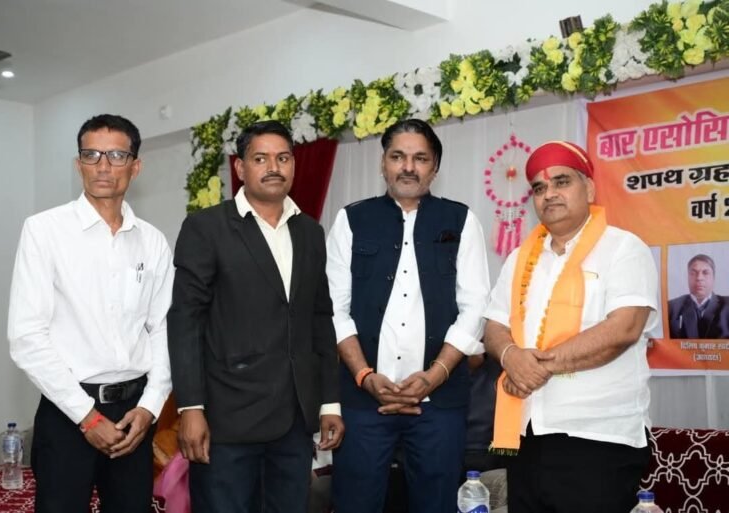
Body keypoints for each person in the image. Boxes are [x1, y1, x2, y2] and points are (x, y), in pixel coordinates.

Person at [167, 120, 344, 513]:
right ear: (240, 167)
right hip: (226, 421)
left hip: (294, 421)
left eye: (283, 158)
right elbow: (185, 321)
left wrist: (329, 403)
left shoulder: (310, 232)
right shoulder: (206, 228)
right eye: (260, 158)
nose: (273, 167)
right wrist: (190, 407)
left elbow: (320, 319)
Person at [8, 114, 174, 513]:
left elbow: (164, 329)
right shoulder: (44, 231)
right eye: (91, 155)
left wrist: (150, 407)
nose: (103, 166)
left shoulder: (152, 241)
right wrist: (87, 417)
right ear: (78, 163)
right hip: (68, 411)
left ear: (135, 166)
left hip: (134, 416)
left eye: (116, 155)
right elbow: (27, 336)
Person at [483, 141, 659, 512]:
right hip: (526, 432)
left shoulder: (624, 248)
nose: (549, 194)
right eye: (539, 188)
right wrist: (511, 355)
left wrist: (535, 367)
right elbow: (494, 325)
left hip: (597, 435)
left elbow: (624, 329)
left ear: (589, 189)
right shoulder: (518, 258)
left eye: (561, 182)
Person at [326, 118, 491, 513]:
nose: (408, 167)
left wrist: (434, 376)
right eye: (398, 157)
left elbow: (475, 307)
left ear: (435, 168)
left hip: (439, 404)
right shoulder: (352, 220)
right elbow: (333, 308)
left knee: (436, 505)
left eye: (420, 158)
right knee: (354, 504)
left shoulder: (461, 220)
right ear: (383, 163)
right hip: (363, 401)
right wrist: (365, 376)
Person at [668, 254, 729, 339]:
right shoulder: (671, 307)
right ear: (687, 277)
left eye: (705, 273)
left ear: (714, 278)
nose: (699, 278)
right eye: (693, 273)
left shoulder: (727, 306)